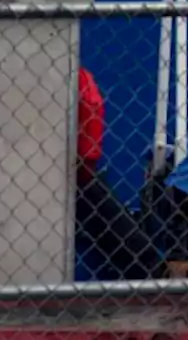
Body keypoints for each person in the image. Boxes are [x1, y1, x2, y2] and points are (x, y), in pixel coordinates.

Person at [76, 68, 163, 280]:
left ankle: (149, 268)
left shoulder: (74, 76)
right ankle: (149, 268)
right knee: (97, 201)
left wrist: (84, 165)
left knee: (95, 200)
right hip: (75, 166)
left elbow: (90, 108)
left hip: (73, 168)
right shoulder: (76, 76)